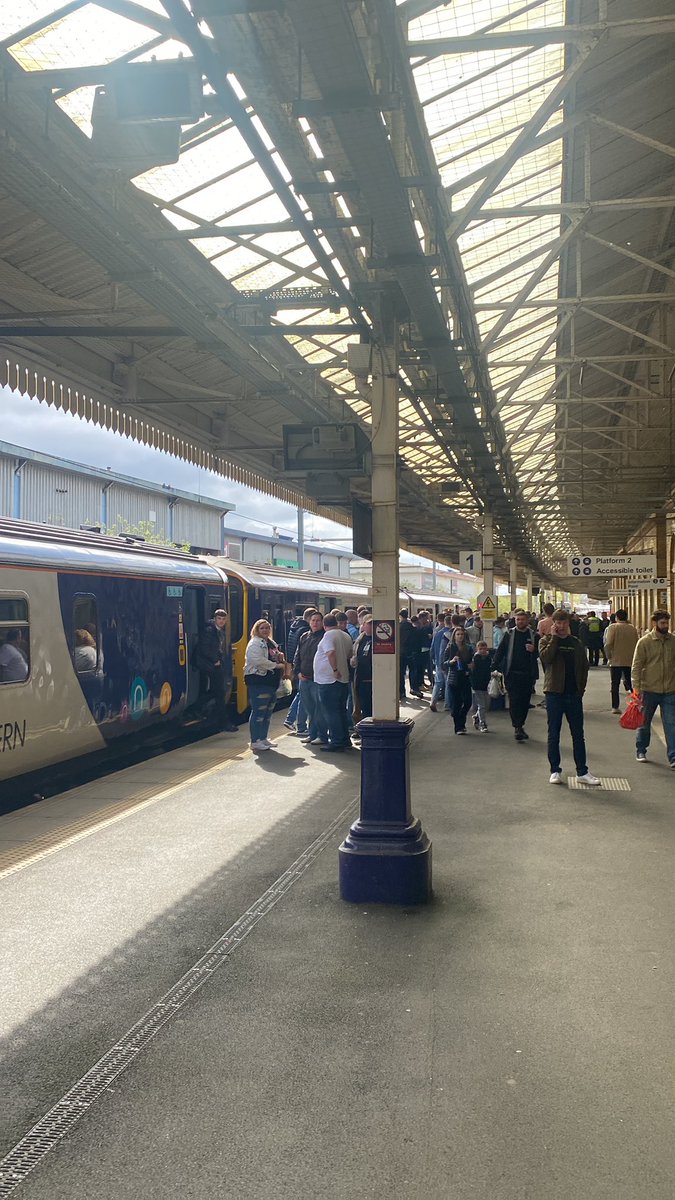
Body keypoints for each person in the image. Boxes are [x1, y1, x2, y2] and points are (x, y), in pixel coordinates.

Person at [539, 609, 600, 785]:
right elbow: (546, 658)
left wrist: (581, 689)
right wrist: (554, 639)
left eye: (564, 623)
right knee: (554, 733)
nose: (561, 626)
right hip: (554, 693)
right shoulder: (546, 641)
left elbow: (584, 666)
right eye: (558, 623)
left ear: (568, 623)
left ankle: (582, 772)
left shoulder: (576, 643)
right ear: (554, 624)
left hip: (573, 694)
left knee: (578, 734)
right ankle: (555, 770)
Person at [631, 610, 675, 767]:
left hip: (670, 690)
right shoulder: (644, 642)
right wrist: (636, 689)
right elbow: (636, 666)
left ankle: (673, 757)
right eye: (662, 623)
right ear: (654, 623)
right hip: (648, 689)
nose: (666, 626)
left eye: (667, 623)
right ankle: (641, 749)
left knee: (671, 724)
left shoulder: (673, 641)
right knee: (644, 723)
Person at [492, 608, 539, 741]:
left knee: (525, 701)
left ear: (527, 621)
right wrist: (494, 665)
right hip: (512, 674)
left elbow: (542, 653)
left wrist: (534, 650)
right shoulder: (509, 634)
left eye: (522, 619)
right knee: (514, 701)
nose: (520, 622)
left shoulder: (533, 635)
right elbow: (501, 651)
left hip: (527, 674)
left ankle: (521, 724)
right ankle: (517, 727)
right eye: (518, 619)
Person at [313, 613, 354, 752]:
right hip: (342, 679)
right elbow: (349, 654)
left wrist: (335, 669)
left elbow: (330, 653)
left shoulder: (328, 635)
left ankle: (337, 741)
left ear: (324, 625)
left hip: (329, 680)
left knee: (331, 712)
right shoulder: (345, 635)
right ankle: (345, 739)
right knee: (341, 710)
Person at [243, 618, 284, 751]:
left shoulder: (270, 642)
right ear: (256, 630)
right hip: (258, 681)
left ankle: (263, 738)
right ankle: (255, 741)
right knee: (259, 711)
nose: (265, 630)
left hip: (270, 681)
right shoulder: (255, 643)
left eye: (267, 628)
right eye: (262, 628)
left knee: (267, 711)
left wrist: (280, 657)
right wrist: (275, 665)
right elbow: (256, 660)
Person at [196, 609, 237, 730]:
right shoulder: (210, 631)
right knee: (219, 692)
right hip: (210, 665)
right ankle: (223, 722)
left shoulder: (218, 631)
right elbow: (205, 648)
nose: (221, 621)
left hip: (212, 664)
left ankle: (198, 708)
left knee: (218, 691)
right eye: (219, 619)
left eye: (223, 619)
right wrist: (215, 660)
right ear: (215, 619)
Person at [293, 611, 328, 746]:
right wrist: (297, 672)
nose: (315, 623)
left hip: (317, 679)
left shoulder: (324, 637)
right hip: (304, 678)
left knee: (319, 709)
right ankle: (312, 734)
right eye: (313, 620)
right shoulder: (304, 636)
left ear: (322, 622)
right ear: (309, 621)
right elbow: (298, 655)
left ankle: (321, 735)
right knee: (309, 709)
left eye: (318, 620)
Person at [283, 608, 316, 732]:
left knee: (300, 695)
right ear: (309, 619)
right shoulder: (305, 631)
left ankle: (290, 720)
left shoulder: (294, 627)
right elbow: (302, 652)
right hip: (303, 668)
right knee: (303, 697)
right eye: (313, 619)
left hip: (296, 665)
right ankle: (300, 725)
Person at [604, 609, 638, 713]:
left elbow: (608, 644)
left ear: (616, 617)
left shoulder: (613, 627)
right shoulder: (632, 628)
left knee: (615, 684)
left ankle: (615, 707)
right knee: (631, 683)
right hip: (630, 660)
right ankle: (636, 704)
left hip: (616, 660)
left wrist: (609, 657)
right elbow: (637, 643)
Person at [442, 625, 474, 734]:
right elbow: (444, 663)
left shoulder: (469, 648)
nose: (460, 636)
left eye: (462, 634)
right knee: (456, 703)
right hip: (454, 678)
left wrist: (472, 665)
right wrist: (451, 662)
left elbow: (472, 660)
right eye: (458, 634)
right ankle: (458, 727)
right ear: (454, 636)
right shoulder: (450, 647)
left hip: (465, 677)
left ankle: (461, 719)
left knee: (468, 702)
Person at [429, 614, 453, 712]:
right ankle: (447, 705)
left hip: (438, 661)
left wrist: (434, 659)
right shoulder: (450, 634)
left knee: (438, 683)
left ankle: (433, 702)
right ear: (451, 623)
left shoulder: (438, 633)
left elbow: (432, 648)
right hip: (447, 662)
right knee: (447, 683)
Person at [351, 617, 373, 720]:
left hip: (372, 679)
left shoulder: (377, 640)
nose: (371, 626)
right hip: (360, 678)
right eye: (369, 624)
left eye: (373, 624)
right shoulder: (360, 639)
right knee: (363, 706)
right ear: (363, 625)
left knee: (371, 707)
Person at [469, 640, 492, 732]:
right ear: (477, 649)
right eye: (480, 649)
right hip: (477, 685)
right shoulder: (475, 659)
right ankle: (483, 723)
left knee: (486, 705)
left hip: (486, 684)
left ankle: (476, 716)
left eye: (484, 649)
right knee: (482, 705)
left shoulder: (488, 658)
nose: (482, 651)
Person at [398, 609, 413, 700]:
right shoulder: (410, 626)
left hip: (401, 652)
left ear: (400, 616)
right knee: (412, 670)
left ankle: (401, 691)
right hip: (409, 652)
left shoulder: (399, 626)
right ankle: (413, 688)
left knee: (401, 673)